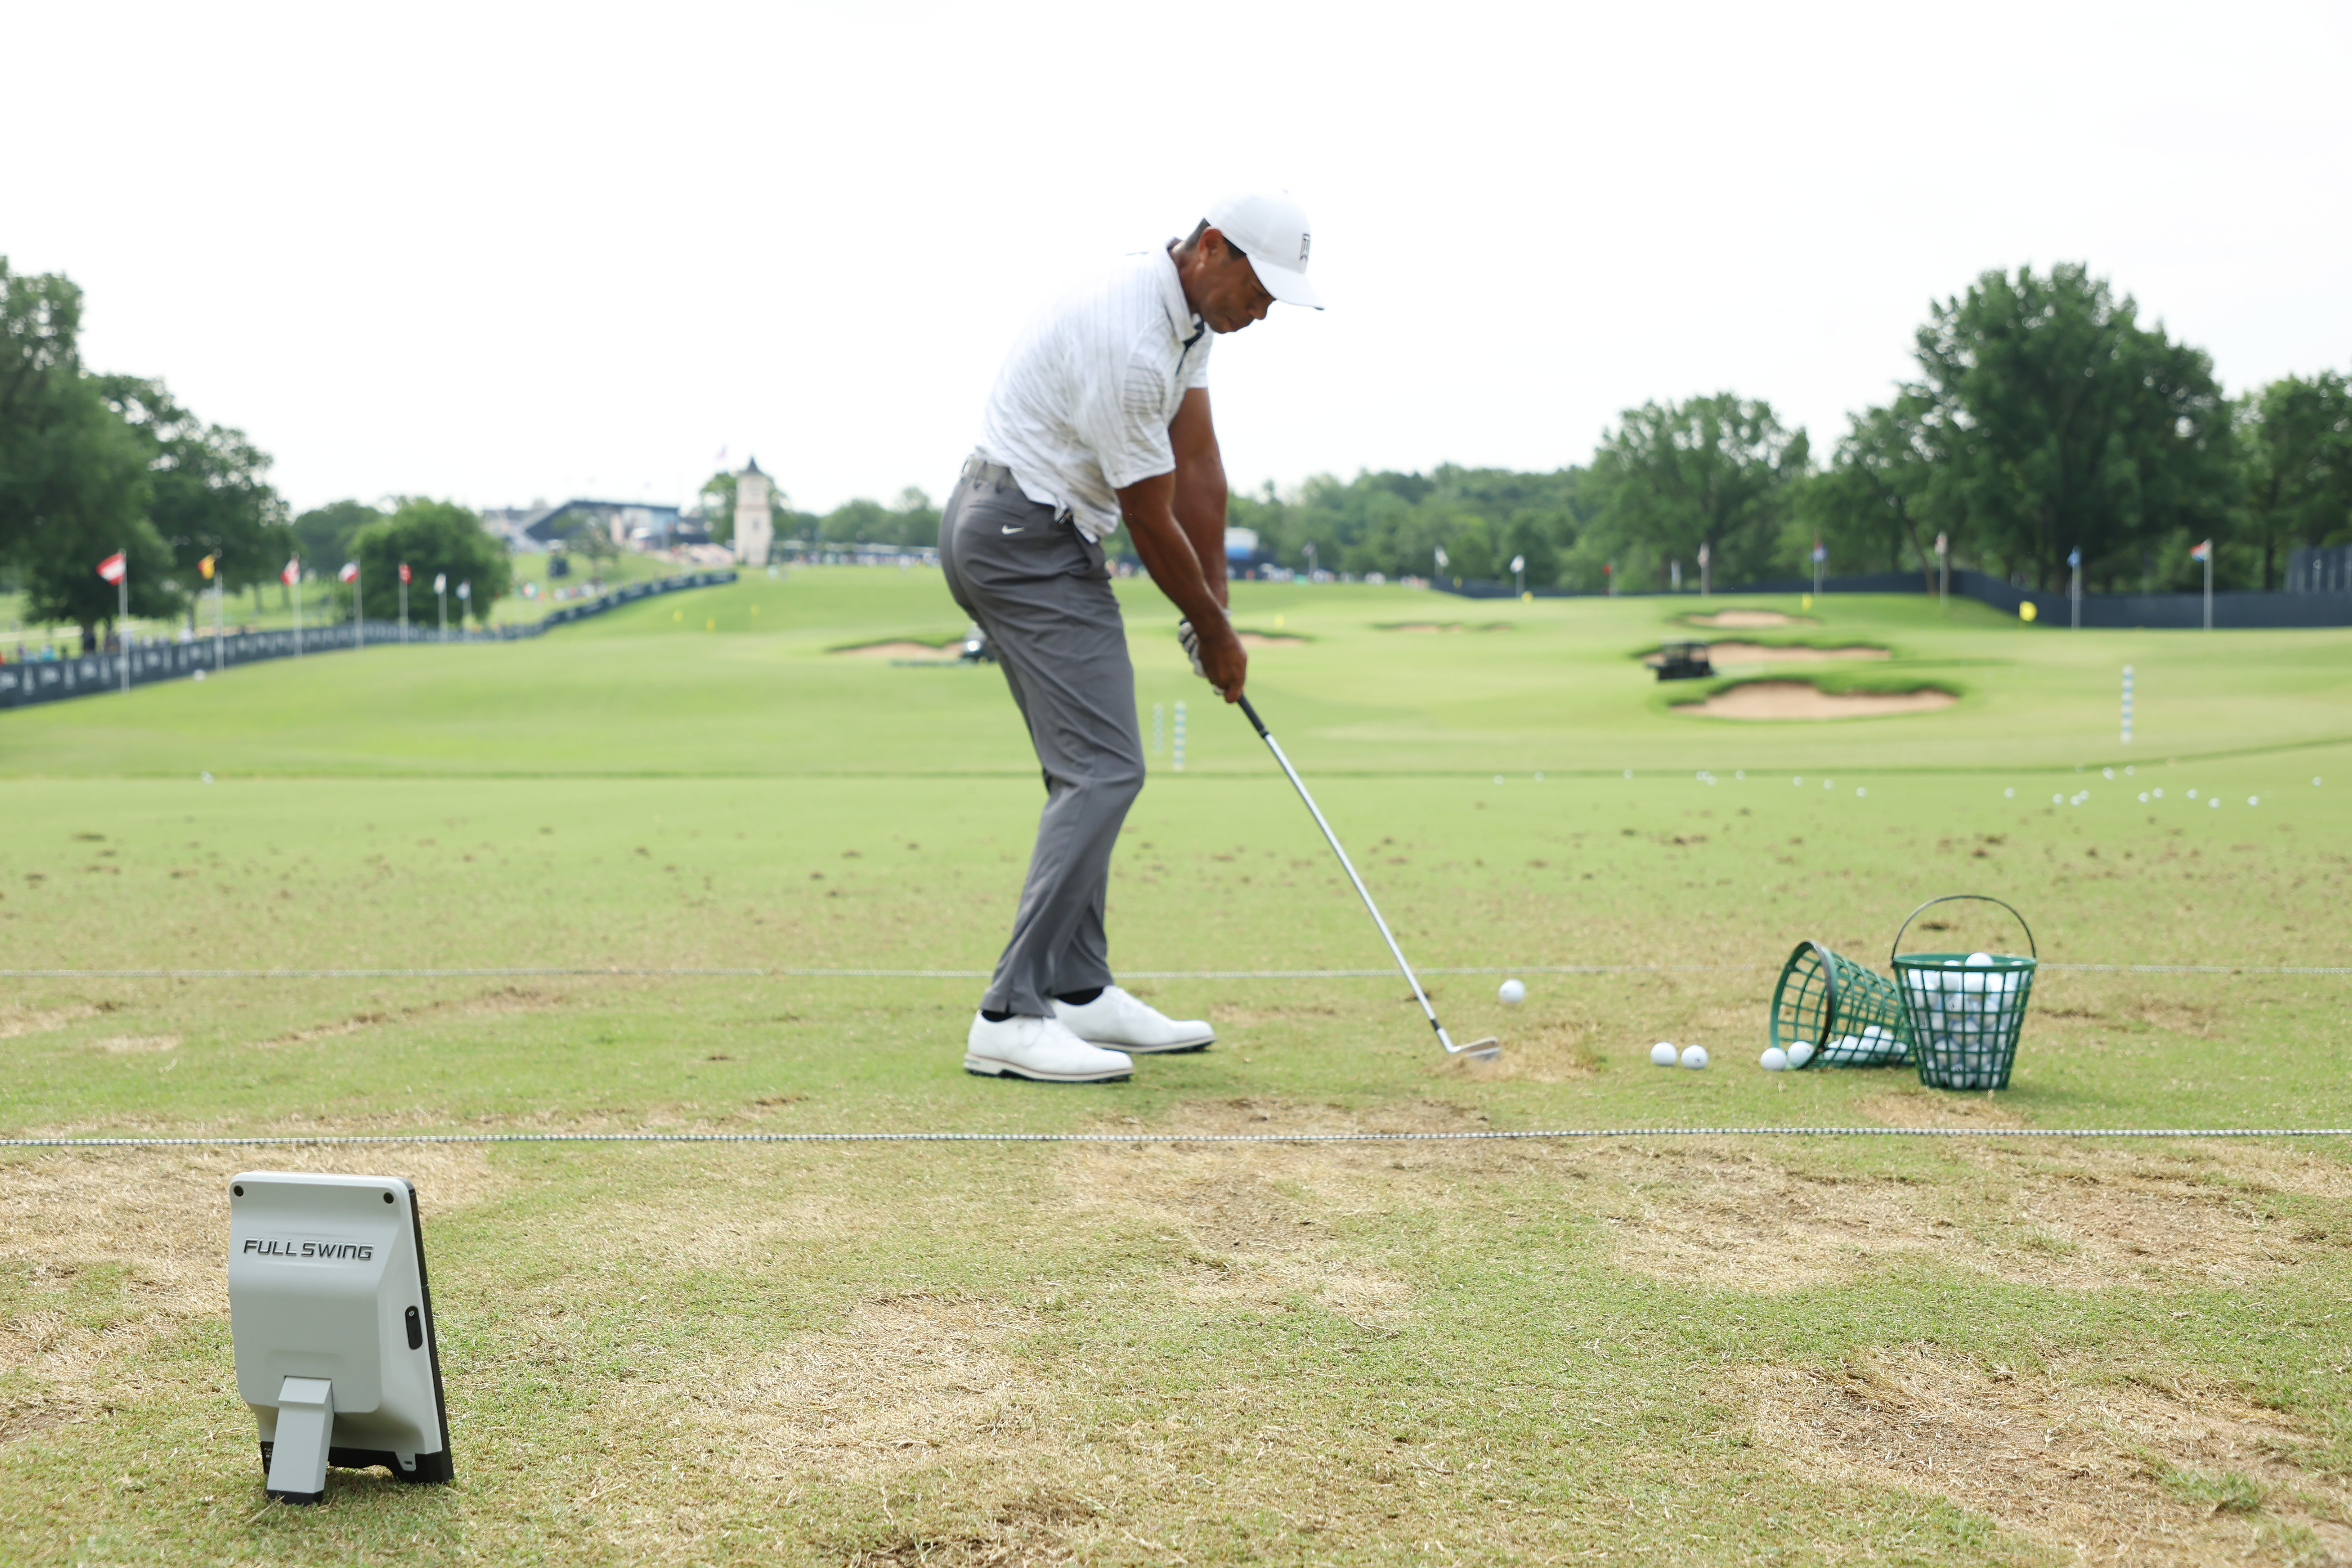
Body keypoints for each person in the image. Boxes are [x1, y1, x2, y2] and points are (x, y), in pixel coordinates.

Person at [941, 190, 1323, 1084]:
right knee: (1106, 770)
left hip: (1038, 534)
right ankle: (1009, 1014)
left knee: (1090, 769)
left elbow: (1199, 467)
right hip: (1020, 538)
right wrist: (1214, 634)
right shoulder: (1133, 343)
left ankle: (1078, 989)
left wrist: (1215, 604)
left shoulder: (1189, 319)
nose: (1263, 311)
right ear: (1213, 248)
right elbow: (1152, 521)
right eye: (1260, 289)